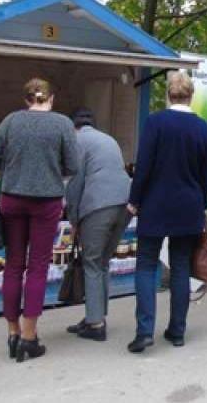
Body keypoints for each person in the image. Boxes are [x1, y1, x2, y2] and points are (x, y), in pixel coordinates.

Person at [0, 78, 79, 362]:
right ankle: (29, 336)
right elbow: (73, 165)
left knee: (13, 265)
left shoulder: (11, 121)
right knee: (38, 267)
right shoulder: (62, 124)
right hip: (46, 201)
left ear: (26, 99)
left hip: (12, 198)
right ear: (51, 98)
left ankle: (12, 332)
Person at [127, 71, 207, 354]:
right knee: (181, 266)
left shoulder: (155, 122)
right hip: (188, 205)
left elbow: (144, 165)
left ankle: (144, 332)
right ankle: (177, 331)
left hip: (155, 203)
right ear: (191, 95)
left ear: (168, 94)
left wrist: (134, 199)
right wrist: (202, 204)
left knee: (146, 264)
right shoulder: (201, 127)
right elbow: (205, 172)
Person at [63, 108, 131, 341]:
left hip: (99, 206)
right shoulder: (109, 140)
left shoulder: (77, 142)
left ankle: (95, 324)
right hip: (124, 205)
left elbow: (75, 184)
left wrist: (73, 219)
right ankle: (96, 314)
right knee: (102, 262)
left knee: (91, 261)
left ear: (73, 127)